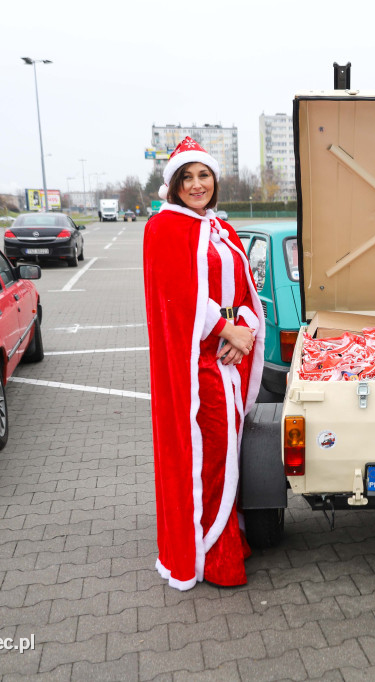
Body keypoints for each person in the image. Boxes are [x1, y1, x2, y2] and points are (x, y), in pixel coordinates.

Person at [143, 136, 266, 591]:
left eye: (204, 175)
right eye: (187, 177)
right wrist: (225, 330)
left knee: (227, 451)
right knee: (209, 453)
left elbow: (245, 290)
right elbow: (177, 299)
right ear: (174, 185)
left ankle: (227, 535)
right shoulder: (163, 228)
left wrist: (245, 327)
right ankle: (213, 551)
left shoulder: (221, 229)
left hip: (229, 359)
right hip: (197, 365)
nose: (197, 184)